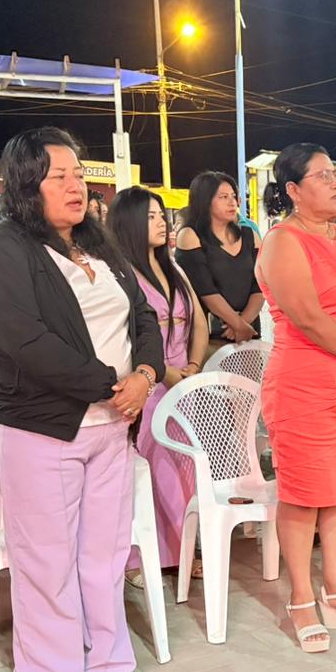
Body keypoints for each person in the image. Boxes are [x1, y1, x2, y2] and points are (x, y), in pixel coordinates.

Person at [0, 127, 164, 672]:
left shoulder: (98, 244)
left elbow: (144, 315)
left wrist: (146, 375)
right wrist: (110, 385)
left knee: (104, 558)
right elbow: (22, 340)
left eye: (79, 174)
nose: (76, 186)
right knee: (45, 563)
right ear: (27, 184)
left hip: (112, 428)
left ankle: (107, 668)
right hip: (42, 428)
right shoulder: (1, 250)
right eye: (59, 176)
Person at [255, 143, 336, 654]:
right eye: (322, 176)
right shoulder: (282, 242)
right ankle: (301, 599)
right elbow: (309, 319)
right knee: (304, 493)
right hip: (304, 387)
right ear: (292, 190)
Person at [110, 186, 208, 584]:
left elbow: (198, 322)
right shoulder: (120, 274)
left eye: (161, 215)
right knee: (152, 470)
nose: (161, 223)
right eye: (150, 216)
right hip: (148, 385)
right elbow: (127, 336)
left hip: (184, 385)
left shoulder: (174, 269)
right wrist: (165, 372)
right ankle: (138, 557)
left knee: (185, 470)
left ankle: (183, 550)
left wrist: (194, 365)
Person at [176, 172, 264, 348]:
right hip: (210, 335)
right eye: (223, 197)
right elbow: (206, 290)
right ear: (204, 201)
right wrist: (236, 324)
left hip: (249, 332)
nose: (232, 202)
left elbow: (260, 284)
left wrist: (243, 324)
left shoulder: (250, 235)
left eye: (233, 196)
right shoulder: (189, 236)